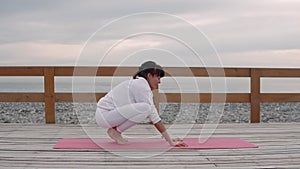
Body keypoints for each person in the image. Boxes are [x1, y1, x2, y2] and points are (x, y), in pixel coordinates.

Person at [95, 61, 187, 147]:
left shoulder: (141, 85)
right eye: (158, 78)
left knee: (146, 109)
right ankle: (116, 132)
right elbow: (153, 115)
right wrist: (170, 141)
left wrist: (169, 139)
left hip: (108, 115)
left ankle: (115, 131)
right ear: (149, 75)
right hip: (105, 115)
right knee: (146, 108)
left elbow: (153, 113)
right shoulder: (141, 84)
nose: (159, 82)